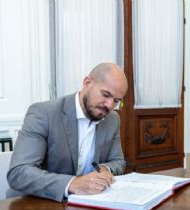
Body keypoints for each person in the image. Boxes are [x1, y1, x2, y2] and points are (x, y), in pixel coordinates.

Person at [7, 63, 128, 202]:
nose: (109, 105)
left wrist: (105, 169)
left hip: (86, 206)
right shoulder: (44, 113)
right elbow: (19, 173)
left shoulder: (112, 119)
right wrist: (72, 183)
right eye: (106, 95)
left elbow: (118, 161)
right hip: (34, 205)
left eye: (116, 101)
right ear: (87, 83)